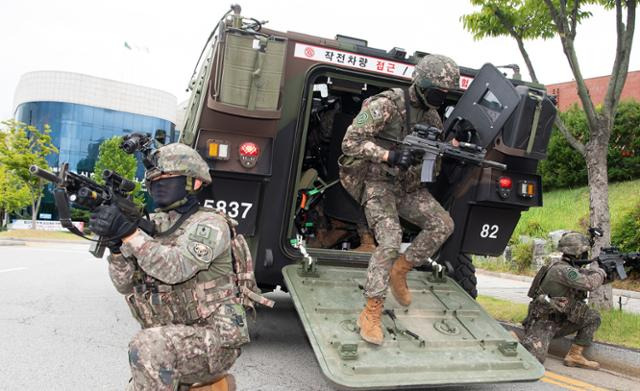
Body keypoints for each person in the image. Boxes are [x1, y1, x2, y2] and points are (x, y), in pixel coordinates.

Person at [89, 143, 252, 391]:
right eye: (155, 179)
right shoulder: (153, 224)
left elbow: (175, 269)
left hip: (214, 340)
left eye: (169, 177)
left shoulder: (211, 224)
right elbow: (124, 285)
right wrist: (115, 247)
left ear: (195, 182)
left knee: (148, 347)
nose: (160, 183)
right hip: (171, 336)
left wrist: (129, 233)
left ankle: (208, 382)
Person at [340, 54, 460, 345]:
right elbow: (350, 142)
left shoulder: (432, 117)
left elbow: (432, 162)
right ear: (419, 84)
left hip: (407, 187)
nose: (440, 99)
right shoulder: (386, 105)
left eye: (446, 95)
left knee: (443, 224)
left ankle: (401, 270)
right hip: (376, 181)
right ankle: (371, 311)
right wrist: (387, 154)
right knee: (390, 240)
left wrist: (448, 149)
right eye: (436, 92)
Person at [521, 231, 606, 369]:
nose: (586, 255)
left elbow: (590, 278)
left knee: (592, 317)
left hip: (560, 321)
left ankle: (575, 355)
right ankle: (513, 339)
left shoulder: (570, 268)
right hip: (543, 324)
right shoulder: (562, 270)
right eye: (584, 252)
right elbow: (590, 283)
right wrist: (602, 271)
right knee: (535, 360)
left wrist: (609, 271)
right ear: (578, 253)